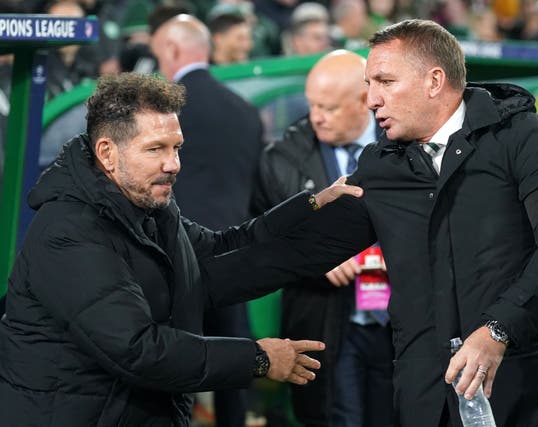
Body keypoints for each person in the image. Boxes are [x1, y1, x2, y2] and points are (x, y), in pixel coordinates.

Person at [208, 19, 538, 426]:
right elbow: (298, 254)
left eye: (385, 81)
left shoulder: (523, 137)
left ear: (434, 81)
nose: (371, 100)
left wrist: (498, 331)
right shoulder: (382, 167)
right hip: (430, 404)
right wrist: (192, 286)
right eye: (369, 84)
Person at [0, 72, 363, 426]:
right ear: (107, 153)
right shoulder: (69, 233)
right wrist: (258, 358)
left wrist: (311, 204)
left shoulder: (151, 207)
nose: (173, 164)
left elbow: (223, 246)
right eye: (155, 149)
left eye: (176, 147)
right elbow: (139, 349)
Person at [252, 50, 393, 427]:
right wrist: (317, 258)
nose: (316, 116)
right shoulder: (282, 158)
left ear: (364, 100)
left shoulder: (407, 141)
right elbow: (264, 238)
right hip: (325, 323)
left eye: (328, 108)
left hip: (398, 321)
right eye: (313, 104)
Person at [150, 13, 264, 427]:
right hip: (233, 256)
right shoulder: (246, 112)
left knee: (171, 365)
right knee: (234, 365)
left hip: (171, 256)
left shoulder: (159, 114)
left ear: (172, 50)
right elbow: (256, 192)